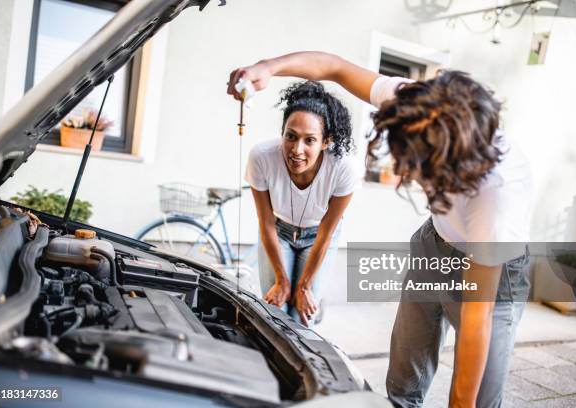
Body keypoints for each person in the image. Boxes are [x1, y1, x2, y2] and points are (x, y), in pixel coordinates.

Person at [228, 52, 533, 408]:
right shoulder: (420, 108)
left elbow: (477, 319)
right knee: (404, 384)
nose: (410, 175)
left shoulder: (496, 195)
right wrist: (268, 68)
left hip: (493, 270)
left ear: (448, 159)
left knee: (476, 398)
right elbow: (335, 68)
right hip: (435, 244)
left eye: (418, 166)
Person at [244, 80, 361, 327]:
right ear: (282, 132)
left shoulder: (344, 168)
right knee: (274, 310)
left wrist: (305, 286)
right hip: (278, 232)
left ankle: (313, 297)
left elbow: (327, 232)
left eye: (310, 140)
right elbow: (265, 223)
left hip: (319, 236)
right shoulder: (261, 157)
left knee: (301, 317)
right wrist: (282, 281)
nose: (297, 150)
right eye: (291, 136)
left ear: (326, 141)